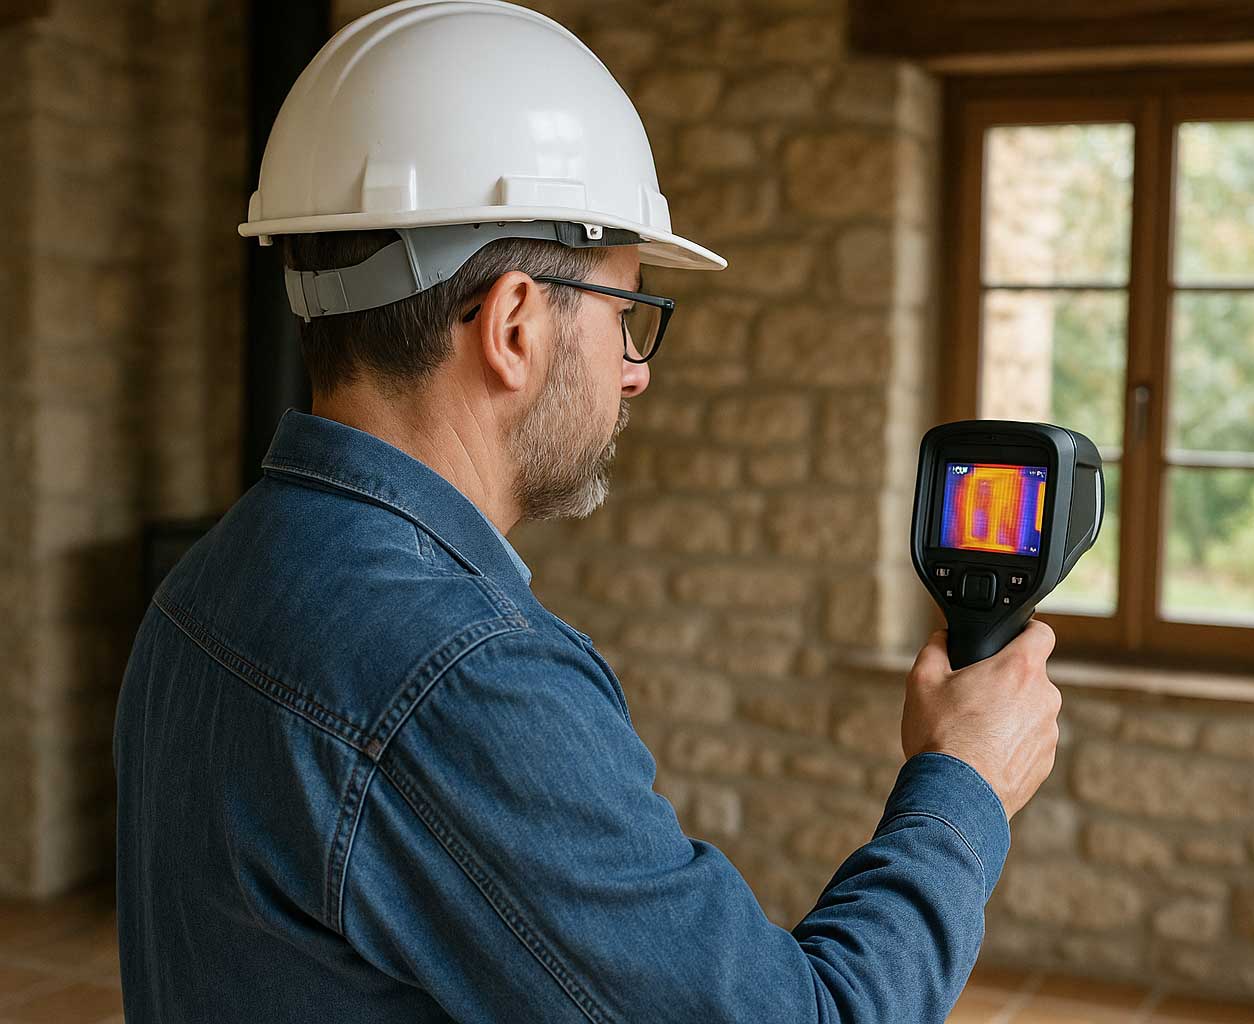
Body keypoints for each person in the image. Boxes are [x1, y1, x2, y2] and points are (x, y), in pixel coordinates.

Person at [112, 2, 1062, 1021]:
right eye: (627, 316)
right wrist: (962, 782)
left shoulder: (204, 584)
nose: (635, 372)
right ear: (515, 325)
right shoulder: (461, 680)